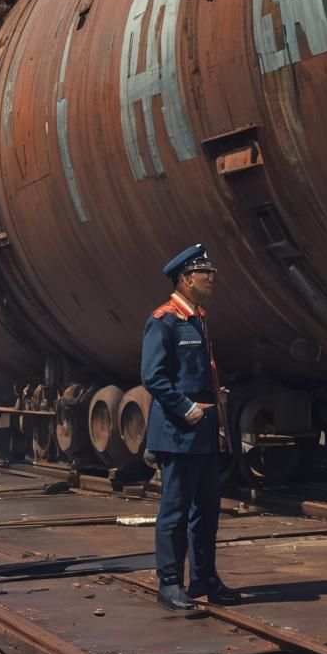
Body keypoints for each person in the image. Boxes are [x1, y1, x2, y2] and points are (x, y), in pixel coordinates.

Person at [141, 244, 241, 611]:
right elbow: (153, 377)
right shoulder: (164, 320)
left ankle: (204, 577)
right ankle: (169, 584)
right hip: (178, 433)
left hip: (202, 434)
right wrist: (186, 408)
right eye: (205, 275)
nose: (211, 279)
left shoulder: (198, 318)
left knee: (207, 511)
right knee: (174, 512)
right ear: (185, 279)